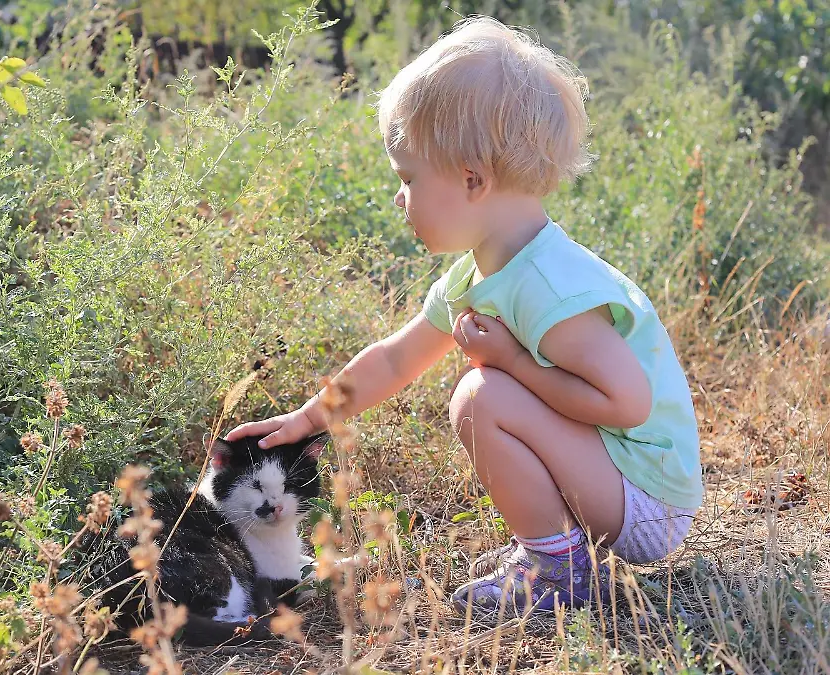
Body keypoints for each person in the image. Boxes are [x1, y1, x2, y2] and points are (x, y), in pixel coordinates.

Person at [225, 16, 702, 615]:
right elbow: (397, 357)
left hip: (647, 503)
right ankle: (555, 548)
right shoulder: (482, 275)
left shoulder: (549, 287)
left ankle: (563, 570)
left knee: (483, 396)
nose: (399, 197)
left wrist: (511, 363)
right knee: (489, 390)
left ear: (472, 179)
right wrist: (309, 418)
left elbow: (626, 404)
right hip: (615, 482)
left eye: (408, 179)